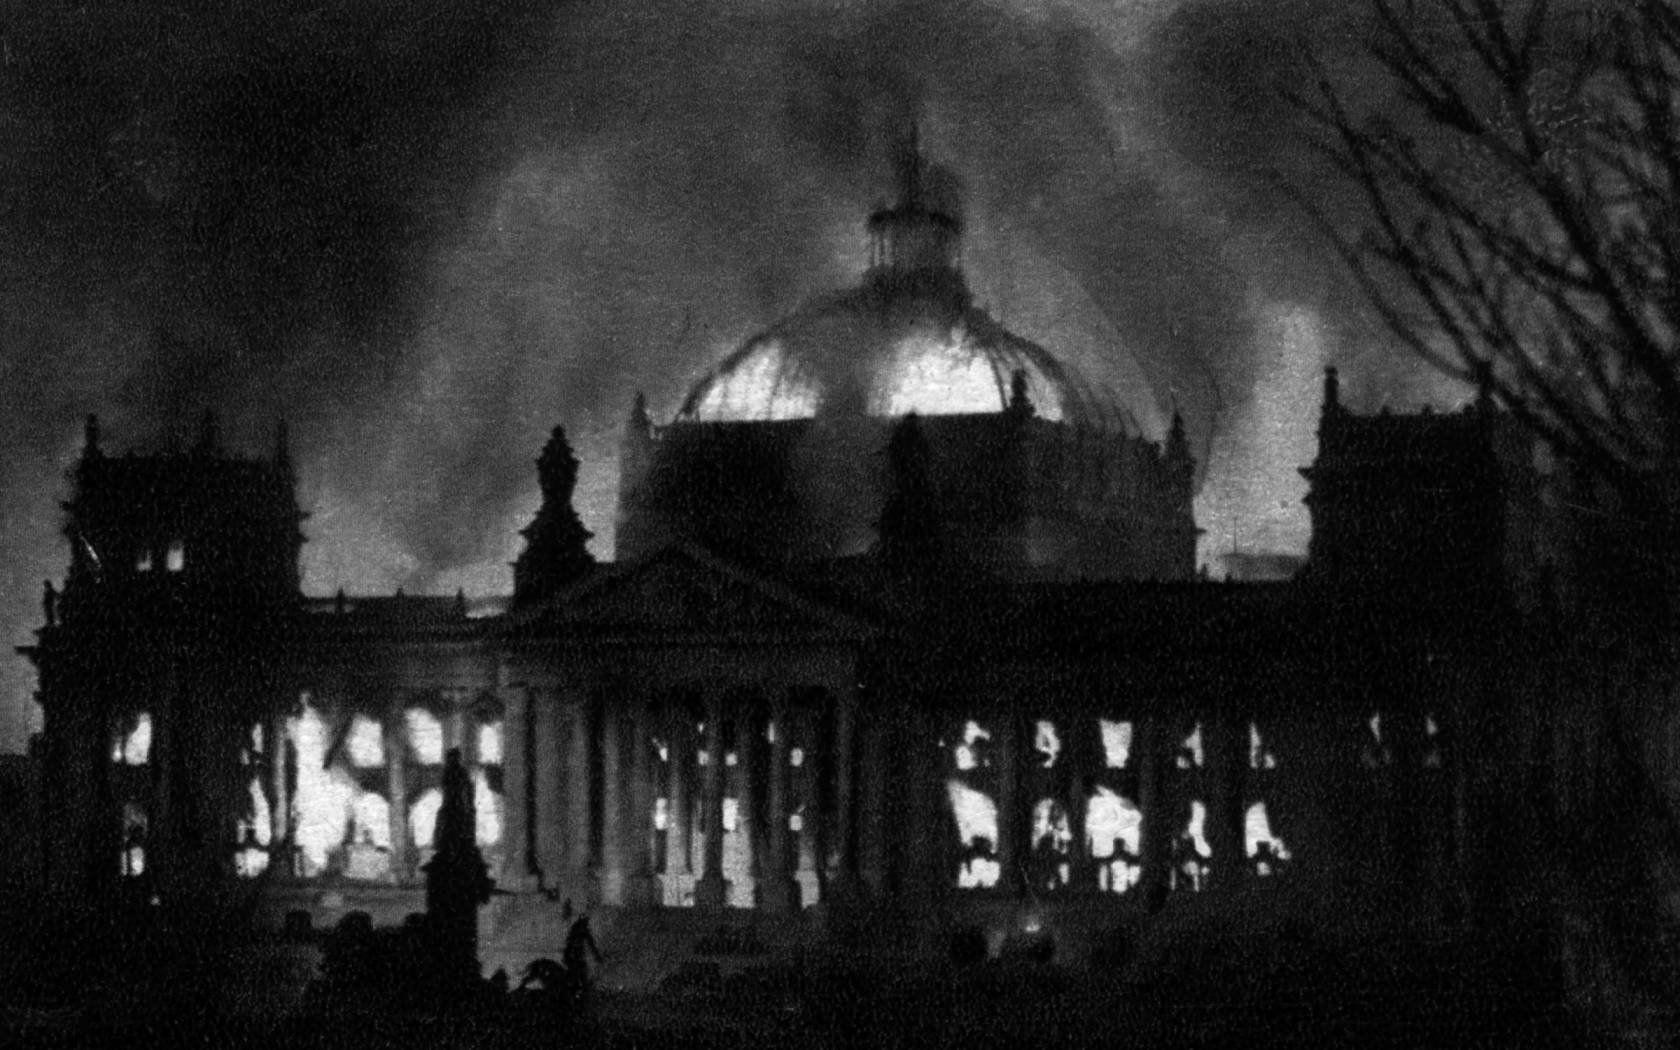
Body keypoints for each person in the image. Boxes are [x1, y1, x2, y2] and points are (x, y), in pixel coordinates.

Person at [562, 912, 603, 1004]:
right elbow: (590, 944)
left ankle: (575, 993)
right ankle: (578, 995)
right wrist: (597, 957)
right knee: (580, 978)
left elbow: (571, 944)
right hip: (575, 959)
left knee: (576, 978)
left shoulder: (576, 929)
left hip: (573, 959)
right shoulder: (581, 930)